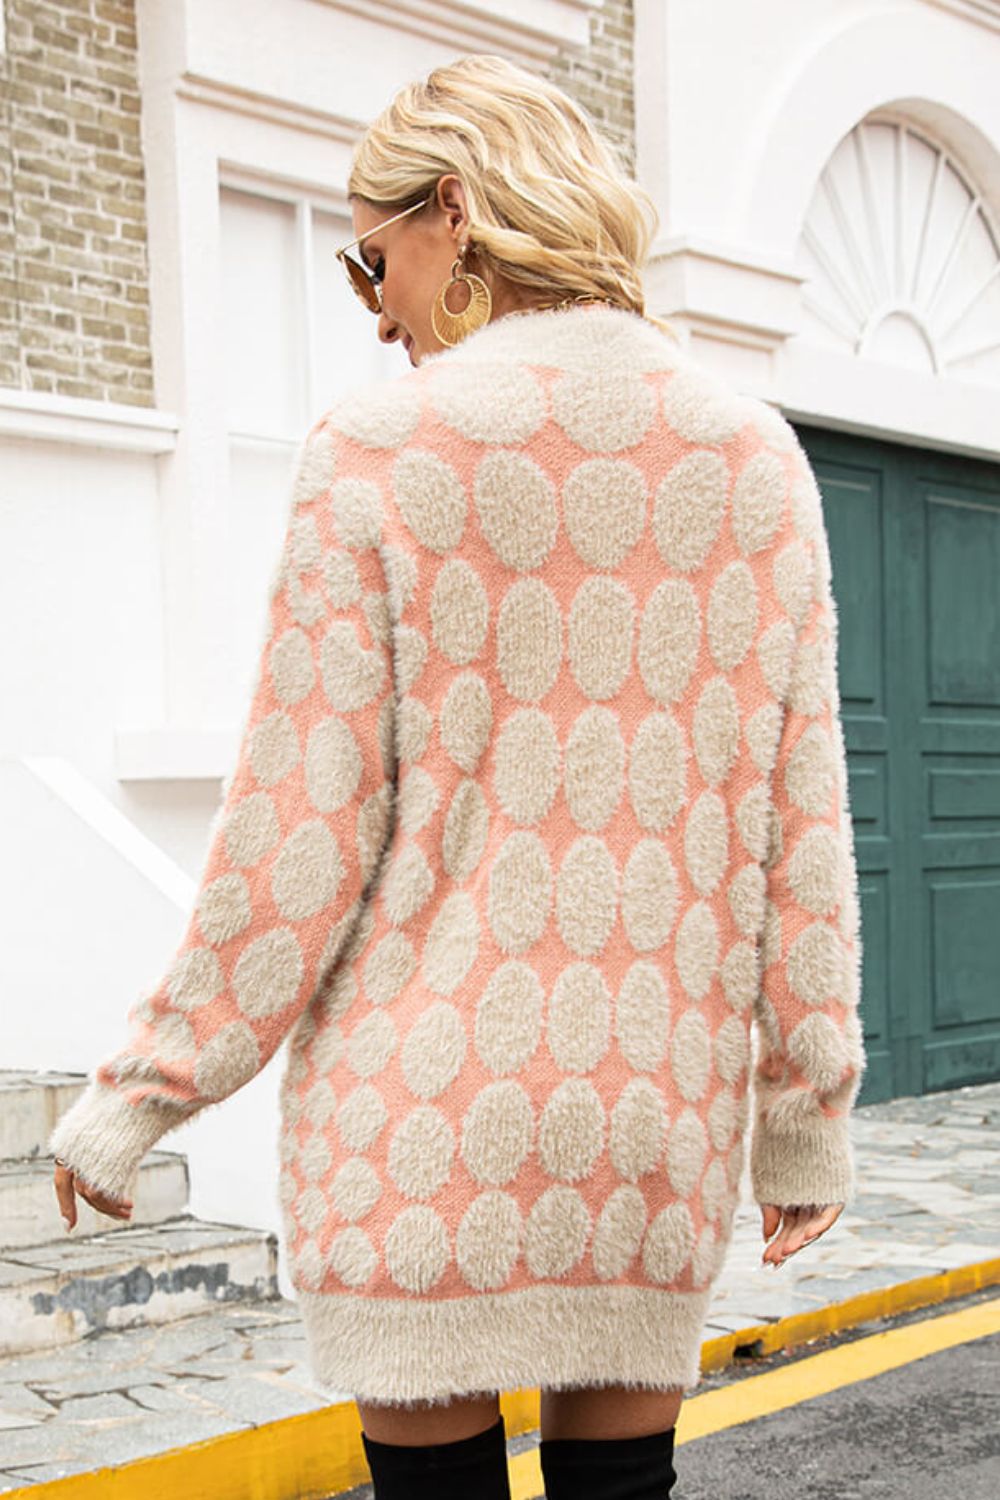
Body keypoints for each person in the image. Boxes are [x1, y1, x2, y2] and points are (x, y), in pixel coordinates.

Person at [50, 53, 865, 1500]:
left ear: (455, 209)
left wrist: (146, 1091)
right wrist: (805, 1118)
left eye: (372, 262)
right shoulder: (756, 460)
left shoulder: (376, 454)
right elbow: (800, 837)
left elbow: (298, 834)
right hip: (647, 1116)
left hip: (421, 1123)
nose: (376, 313)